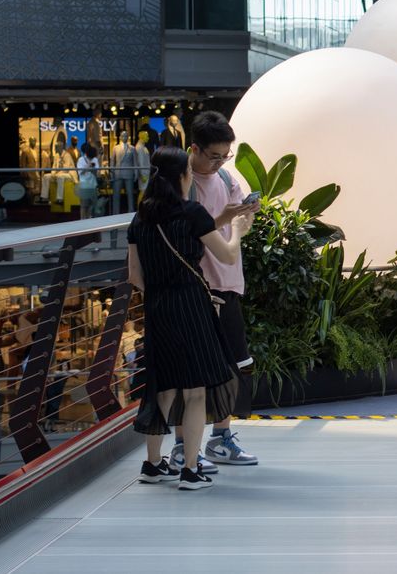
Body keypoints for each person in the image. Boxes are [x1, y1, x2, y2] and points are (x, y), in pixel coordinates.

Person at [127, 146, 252, 490]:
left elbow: (135, 275)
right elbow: (227, 256)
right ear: (183, 177)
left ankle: (153, 465)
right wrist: (238, 229)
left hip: (157, 307)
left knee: (163, 388)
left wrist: (162, 290)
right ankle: (191, 470)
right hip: (191, 306)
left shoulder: (140, 219)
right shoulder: (191, 212)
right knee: (195, 392)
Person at [181, 110, 262, 471]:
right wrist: (226, 219)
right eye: (213, 156)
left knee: (232, 365)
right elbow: (185, 232)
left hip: (228, 282)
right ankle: (185, 447)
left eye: (224, 156)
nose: (218, 163)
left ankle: (220, 437)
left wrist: (247, 213)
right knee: (193, 371)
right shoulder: (182, 181)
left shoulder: (227, 177)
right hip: (198, 285)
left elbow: (242, 223)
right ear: (194, 149)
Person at [75, 143, 100, 219]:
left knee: (91, 206)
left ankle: (89, 220)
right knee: (84, 206)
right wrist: (88, 166)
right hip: (84, 185)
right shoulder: (81, 160)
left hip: (93, 185)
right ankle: (82, 221)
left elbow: (97, 172)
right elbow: (80, 172)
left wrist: (93, 169)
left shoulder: (95, 159)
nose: (92, 159)